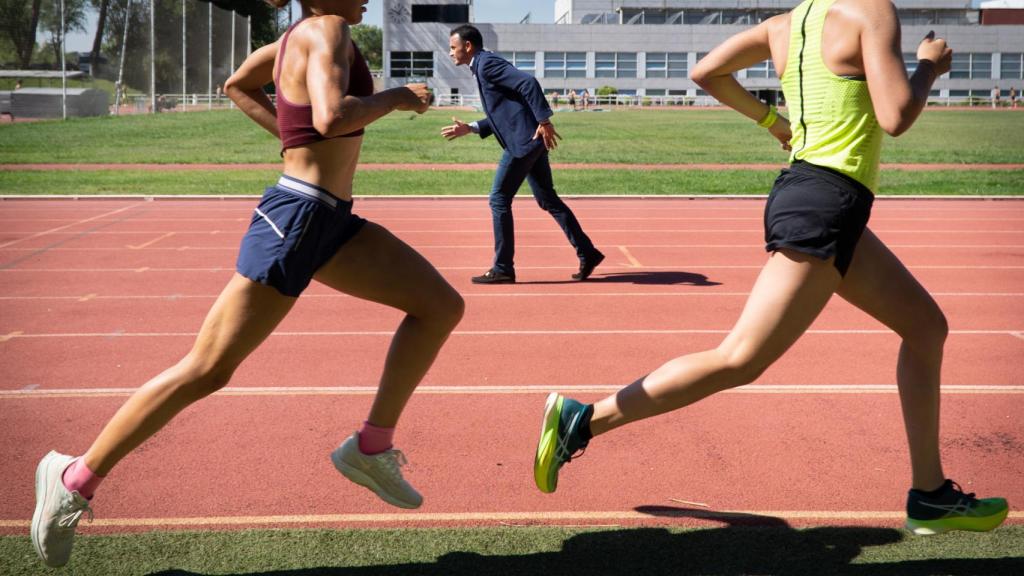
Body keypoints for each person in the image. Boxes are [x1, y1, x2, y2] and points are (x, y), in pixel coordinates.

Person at [533, 0, 1009, 537]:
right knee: (740, 358)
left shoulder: (788, 23)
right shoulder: (871, 12)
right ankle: (583, 420)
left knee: (926, 328)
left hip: (818, 195)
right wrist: (927, 66)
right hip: (827, 203)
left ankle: (930, 495)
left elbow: (705, 71)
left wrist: (772, 122)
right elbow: (895, 116)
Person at [30, 0, 464, 568]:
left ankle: (371, 446)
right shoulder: (327, 28)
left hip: (328, 218)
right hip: (299, 217)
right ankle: (73, 478)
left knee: (439, 306)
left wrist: (293, 138)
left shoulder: (295, 37)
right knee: (206, 369)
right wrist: (399, 98)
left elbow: (238, 85)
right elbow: (333, 117)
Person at [441, 25, 604, 284]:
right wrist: (471, 128)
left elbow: (528, 82)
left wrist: (545, 120)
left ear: (468, 46)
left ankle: (503, 268)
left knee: (498, 199)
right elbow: (505, 111)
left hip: (524, 142)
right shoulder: (482, 66)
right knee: (547, 199)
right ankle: (588, 252)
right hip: (530, 140)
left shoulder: (486, 64)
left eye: (452, 47)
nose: (450, 53)